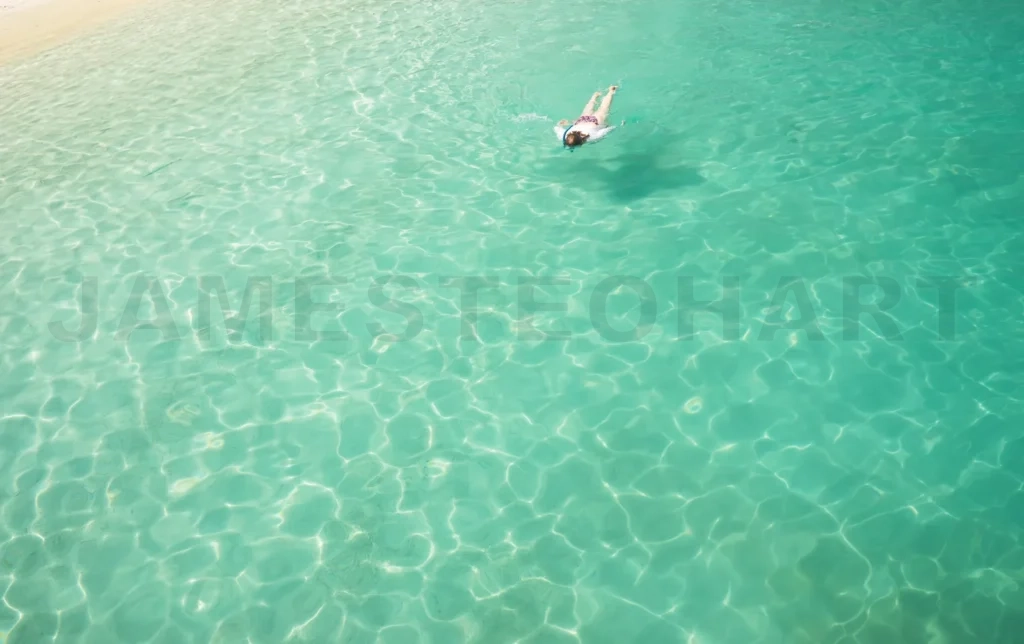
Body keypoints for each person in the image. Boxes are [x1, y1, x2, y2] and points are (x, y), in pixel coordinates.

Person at [555, 85, 619, 149]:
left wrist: (610, 127)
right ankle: (594, 96)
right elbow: (556, 127)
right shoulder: (564, 135)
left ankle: (611, 92)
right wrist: (560, 124)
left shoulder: (591, 137)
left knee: (604, 108)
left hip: (595, 122)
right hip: (582, 120)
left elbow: (606, 130)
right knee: (588, 109)